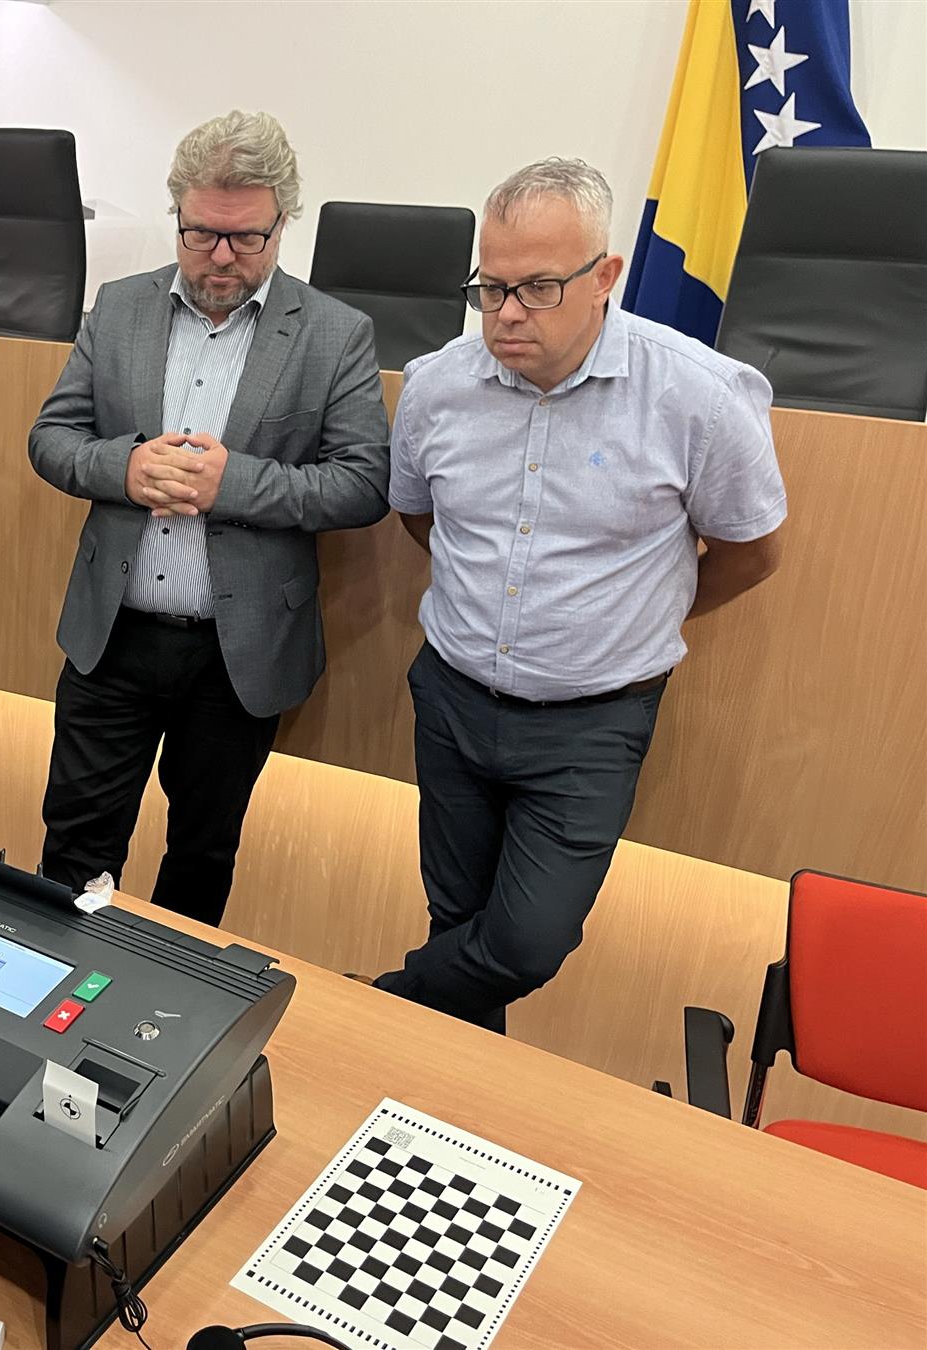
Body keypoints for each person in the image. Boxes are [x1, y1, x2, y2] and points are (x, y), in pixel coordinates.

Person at [375, 159, 786, 1033]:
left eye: (538, 287)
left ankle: (368, 1008)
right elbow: (421, 518)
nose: (507, 313)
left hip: (591, 725)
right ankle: (442, 1093)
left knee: (527, 943)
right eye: (490, 288)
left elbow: (751, 553)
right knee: (457, 920)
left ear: (605, 277)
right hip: (451, 697)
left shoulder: (699, 397)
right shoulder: (437, 385)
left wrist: (631, 616)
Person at [28, 110, 391, 927]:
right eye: (201, 234)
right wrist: (123, 469)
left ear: (283, 223)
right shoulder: (119, 308)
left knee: (200, 856)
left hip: (239, 653)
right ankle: (57, 991)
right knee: (74, 846)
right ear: (179, 214)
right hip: (113, 636)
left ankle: (163, 1000)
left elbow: (364, 484)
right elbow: (51, 439)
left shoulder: (334, 334)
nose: (222, 257)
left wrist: (235, 484)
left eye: (246, 238)